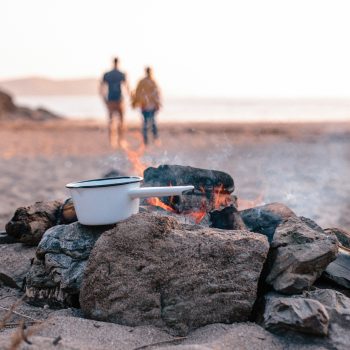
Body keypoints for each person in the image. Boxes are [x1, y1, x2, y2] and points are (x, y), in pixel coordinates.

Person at [100, 57, 129, 148]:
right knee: (121, 121)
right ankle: (121, 140)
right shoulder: (121, 74)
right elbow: (127, 87)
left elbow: (101, 87)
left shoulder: (107, 74)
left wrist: (104, 98)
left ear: (113, 62)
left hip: (110, 99)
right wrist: (130, 97)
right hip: (119, 100)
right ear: (118, 63)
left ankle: (112, 141)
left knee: (111, 121)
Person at [132, 67, 161, 145]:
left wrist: (135, 103)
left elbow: (137, 93)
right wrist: (157, 103)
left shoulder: (145, 81)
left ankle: (150, 139)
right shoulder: (151, 81)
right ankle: (152, 139)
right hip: (147, 105)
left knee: (148, 122)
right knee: (151, 122)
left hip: (146, 105)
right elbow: (156, 94)